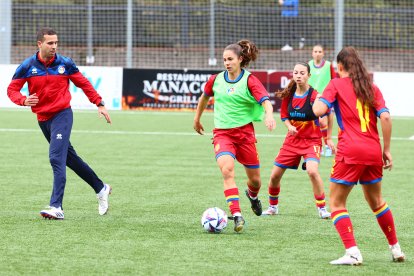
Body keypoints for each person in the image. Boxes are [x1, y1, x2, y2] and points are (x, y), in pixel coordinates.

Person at [7, 27, 112, 220]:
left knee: (56, 157)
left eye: (56, 42)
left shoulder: (65, 64)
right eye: (50, 43)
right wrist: (23, 100)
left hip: (62, 115)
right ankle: (101, 188)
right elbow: (12, 90)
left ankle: (57, 206)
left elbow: (84, 83)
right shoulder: (27, 66)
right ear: (40, 44)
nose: (54, 46)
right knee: (70, 159)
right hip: (43, 119)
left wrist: (99, 103)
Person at [313, 46, 405, 265]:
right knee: (377, 201)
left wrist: (318, 98)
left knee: (336, 203)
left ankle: (352, 252)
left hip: (350, 151)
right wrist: (387, 149)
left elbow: (318, 111)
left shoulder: (335, 84)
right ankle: (396, 248)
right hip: (373, 150)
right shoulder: (371, 87)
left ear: (340, 66)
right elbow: (386, 118)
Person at [193, 40, 276, 233]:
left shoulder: (250, 80)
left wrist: (269, 115)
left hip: (245, 134)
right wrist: (197, 119)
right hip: (223, 134)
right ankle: (237, 215)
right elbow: (204, 97)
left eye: (230, 59)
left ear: (240, 59)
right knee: (227, 170)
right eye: (224, 60)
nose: (227, 63)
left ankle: (253, 196)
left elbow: (266, 102)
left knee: (255, 181)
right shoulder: (215, 79)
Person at [261, 62, 332, 219]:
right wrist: (289, 126)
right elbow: (285, 116)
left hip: (312, 141)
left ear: (308, 75)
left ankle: (322, 208)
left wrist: (323, 118)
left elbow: (324, 115)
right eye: (296, 73)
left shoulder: (315, 95)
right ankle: (273, 207)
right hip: (292, 141)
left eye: (302, 73)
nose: (298, 75)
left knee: (312, 171)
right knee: (274, 176)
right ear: (292, 75)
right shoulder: (289, 95)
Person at [308, 44, 336, 157]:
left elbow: (334, 80)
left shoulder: (328, 65)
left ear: (323, 53)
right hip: (311, 98)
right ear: (312, 53)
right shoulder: (308, 65)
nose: (318, 53)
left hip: (326, 98)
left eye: (320, 51)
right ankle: (318, 145)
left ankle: (327, 145)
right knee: (313, 123)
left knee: (323, 121)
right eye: (315, 51)